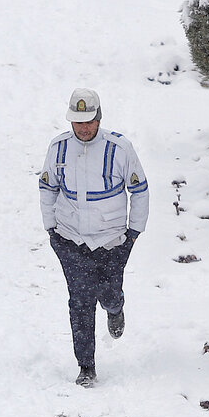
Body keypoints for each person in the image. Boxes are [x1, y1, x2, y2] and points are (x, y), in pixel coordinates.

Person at [39, 88, 149, 387]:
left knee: (109, 292)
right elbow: (47, 188)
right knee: (80, 301)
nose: (83, 128)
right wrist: (51, 230)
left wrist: (134, 232)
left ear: (98, 119)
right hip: (70, 240)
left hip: (112, 241)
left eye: (88, 121)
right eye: (78, 122)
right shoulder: (58, 147)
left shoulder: (120, 148)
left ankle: (115, 308)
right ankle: (86, 365)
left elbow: (139, 190)